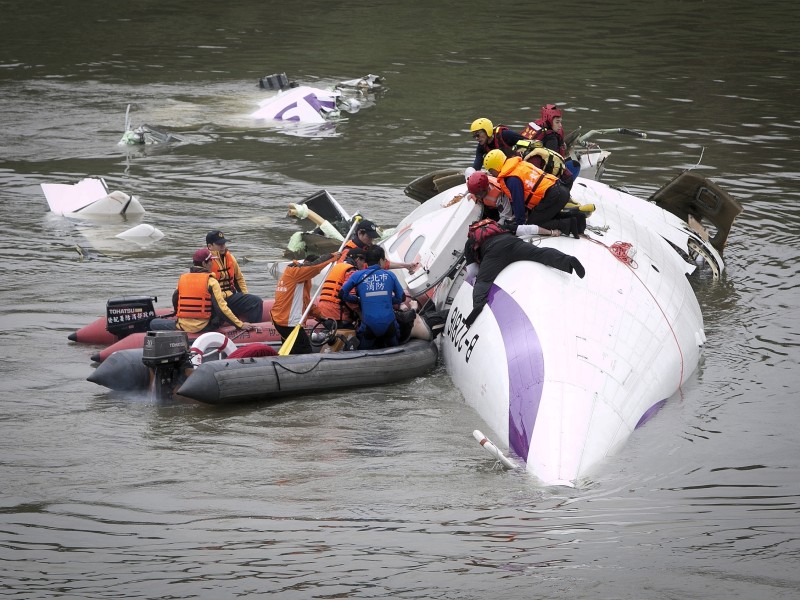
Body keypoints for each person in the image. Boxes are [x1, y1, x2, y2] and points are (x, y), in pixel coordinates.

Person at [462, 218, 586, 327]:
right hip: (513, 243)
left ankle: (478, 306)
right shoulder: (500, 226)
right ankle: (568, 260)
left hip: (493, 255)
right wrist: (551, 232)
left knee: (483, 281)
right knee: (539, 253)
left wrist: (482, 264)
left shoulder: (470, 241)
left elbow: (473, 272)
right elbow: (530, 228)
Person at [149, 249, 256, 333]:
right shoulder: (211, 281)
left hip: (183, 325)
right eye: (211, 261)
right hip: (205, 326)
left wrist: (178, 313)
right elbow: (221, 308)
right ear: (204, 264)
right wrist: (240, 325)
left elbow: (175, 298)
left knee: (153, 323)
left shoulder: (182, 279)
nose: (212, 263)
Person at [483, 149, 584, 237]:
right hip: (560, 190)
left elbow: (519, 203)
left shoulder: (511, 178)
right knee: (543, 216)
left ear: (496, 166)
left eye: (491, 170)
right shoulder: (518, 165)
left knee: (533, 223)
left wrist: (520, 225)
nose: (491, 173)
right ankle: (577, 217)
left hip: (553, 196)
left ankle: (567, 224)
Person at [270, 252, 341, 354]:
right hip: (288, 323)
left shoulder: (298, 278)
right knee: (305, 351)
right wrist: (332, 256)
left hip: (281, 320)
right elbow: (314, 267)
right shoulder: (296, 272)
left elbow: (306, 303)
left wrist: (321, 318)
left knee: (291, 351)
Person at [340, 245, 406, 350]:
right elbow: (401, 297)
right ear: (380, 260)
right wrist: (386, 300)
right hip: (389, 324)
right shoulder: (390, 275)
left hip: (368, 325)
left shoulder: (357, 275)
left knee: (362, 352)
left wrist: (358, 300)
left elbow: (342, 294)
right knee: (395, 349)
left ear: (366, 261)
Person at [466, 171, 561, 237]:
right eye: (475, 194)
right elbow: (469, 171)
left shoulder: (500, 195)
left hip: (504, 210)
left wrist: (490, 227)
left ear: (486, 188)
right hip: (489, 206)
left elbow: (505, 217)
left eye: (479, 194)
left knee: (507, 224)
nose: (477, 196)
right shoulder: (476, 181)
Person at [205, 230, 264, 323]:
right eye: (219, 244)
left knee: (255, 301)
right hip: (214, 301)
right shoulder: (205, 262)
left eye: (224, 243)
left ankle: (255, 329)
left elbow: (239, 278)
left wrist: (245, 295)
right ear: (210, 246)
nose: (223, 246)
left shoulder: (230, 258)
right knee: (216, 319)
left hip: (230, 297)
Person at [339, 219, 419, 272]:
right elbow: (342, 270)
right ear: (360, 233)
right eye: (369, 237)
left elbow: (385, 263)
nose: (371, 240)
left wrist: (406, 265)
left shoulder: (368, 247)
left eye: (372, 237)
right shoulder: (348, 251)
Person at [317, 248, 366, 327]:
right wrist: (360, 314)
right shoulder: (351, 270)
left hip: (323, 310)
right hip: (336, 312)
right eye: (363, 261)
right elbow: (349, 297)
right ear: (358, 259)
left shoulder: (337, 266)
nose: (364, 265)